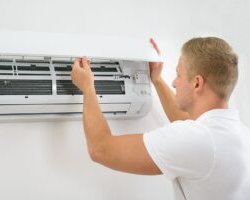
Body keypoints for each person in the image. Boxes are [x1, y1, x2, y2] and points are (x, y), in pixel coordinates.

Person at [70, 37, 250, 200]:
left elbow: (101, 149)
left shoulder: (198, 138)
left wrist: (87, 87)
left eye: (179, 74)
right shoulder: (240, 134)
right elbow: (189, 123)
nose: (174, 82)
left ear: (197, 83)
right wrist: (157, 79)